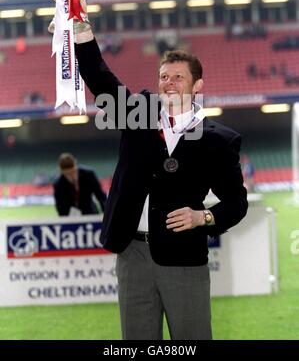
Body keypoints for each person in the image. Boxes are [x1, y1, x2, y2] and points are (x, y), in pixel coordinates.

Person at [73, 26, 248, 340]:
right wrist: (81, 33)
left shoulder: (219, 141)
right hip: (132, 256)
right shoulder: (138, 113)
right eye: (164, 77)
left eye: (178, 77)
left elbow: (237, 202)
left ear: (198, 85)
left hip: (184, 259)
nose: (169, 83)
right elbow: (101, 80)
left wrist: (204, 217)